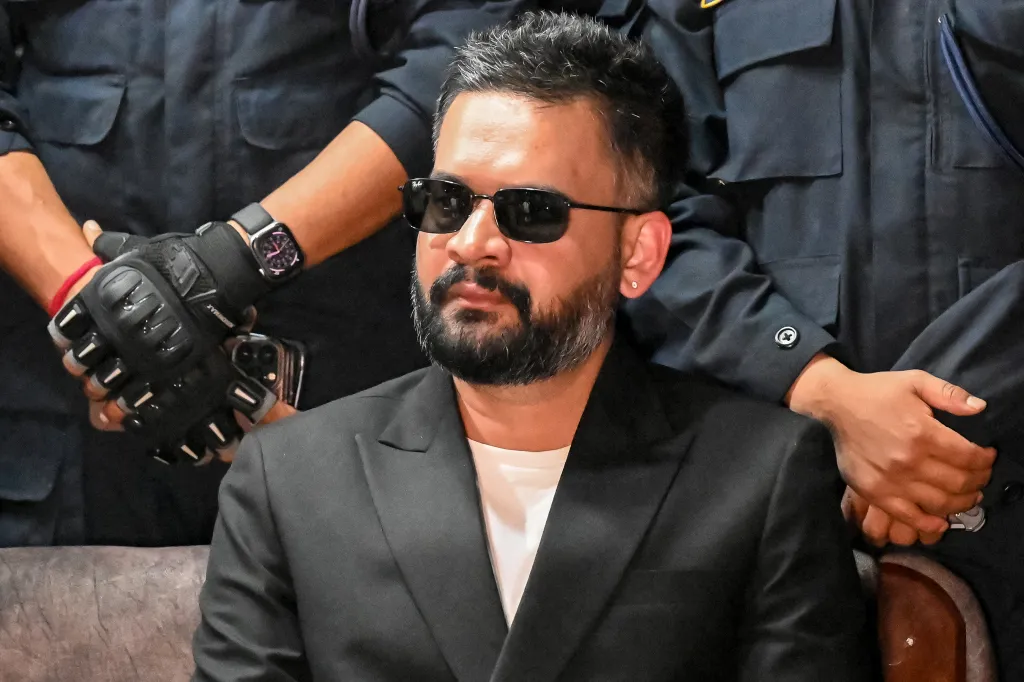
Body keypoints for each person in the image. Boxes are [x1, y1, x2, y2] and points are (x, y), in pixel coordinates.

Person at [192, 14, 871, 681]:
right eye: (446, 201)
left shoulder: (761, 478)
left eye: (531, 211)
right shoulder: (288, 480)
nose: (470, 243)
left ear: (639, 252)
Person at [0, 0, 526, 547]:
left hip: (331, 408)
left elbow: (465, 56)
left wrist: (235, 260)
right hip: (69, 433)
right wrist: (97, 305)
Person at [624, 1, 1024, 676]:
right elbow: (644, 210)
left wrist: (938, 419)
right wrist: (812, 381)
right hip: (775, 508)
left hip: (1001, 468)